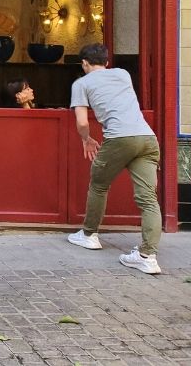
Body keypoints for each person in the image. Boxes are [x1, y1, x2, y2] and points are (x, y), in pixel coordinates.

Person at [65, 43, 161, 273]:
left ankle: (89, 235)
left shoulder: (81, 83)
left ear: (84, 64)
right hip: (147, 138)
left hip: (119, 139)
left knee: (99, 184)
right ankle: (148, 256)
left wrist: (87, 139)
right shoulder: (123, 74)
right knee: (148, 198)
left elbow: (82, 122)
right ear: (107, 62)